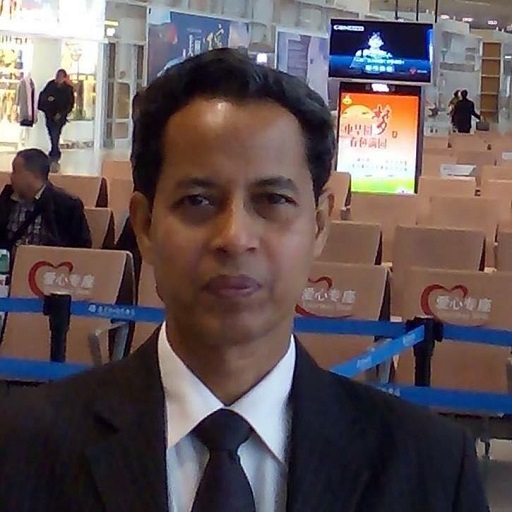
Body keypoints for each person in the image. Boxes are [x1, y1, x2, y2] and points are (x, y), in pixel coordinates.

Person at [0, 49, 489, 511]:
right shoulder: (21, 451)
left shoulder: (431, 468)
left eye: (273, 200)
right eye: (197, 201)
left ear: (319, 226)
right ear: (145, 226)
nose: (234, 238)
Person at [0, 148, 91, 253]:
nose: (11, 177)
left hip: (48, 261)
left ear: (35, 175)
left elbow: (81, 248)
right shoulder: (7, 198)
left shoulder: (66, 205)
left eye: (16, 172)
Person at [37, 69, 75, 169]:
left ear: (64, 78)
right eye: (57, 76)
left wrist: (62, 113)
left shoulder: (67, 89)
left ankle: (54, 152)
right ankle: (55, 150)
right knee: (51, 133)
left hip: (60, 116)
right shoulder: (50, 85)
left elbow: (69, 104)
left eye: (60, 76)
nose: (58, 78)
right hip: (50, 114)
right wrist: (47, 103)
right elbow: (43, 97)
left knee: (56, 133)